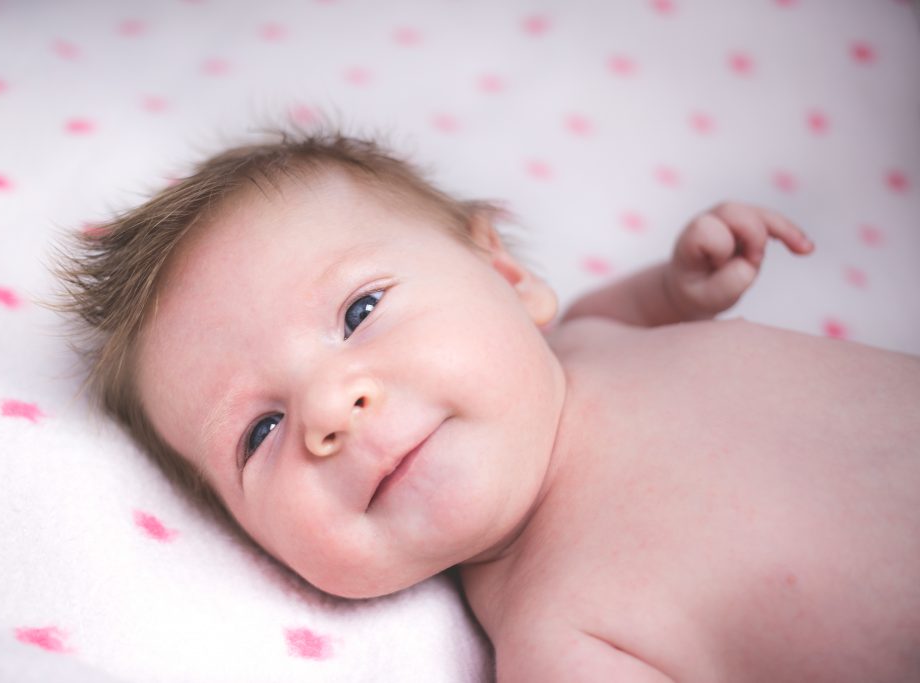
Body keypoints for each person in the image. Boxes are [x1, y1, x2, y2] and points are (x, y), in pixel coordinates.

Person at [57, 131, 920, 682]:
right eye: (260, 431)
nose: (331, 407)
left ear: (507, 277)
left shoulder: (589, 339)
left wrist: (677, 286)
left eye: (359, 312)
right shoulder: (558, 637)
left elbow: (607, 312)